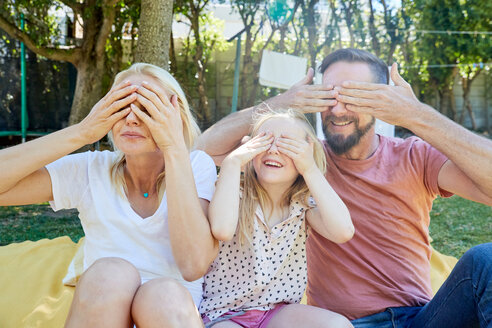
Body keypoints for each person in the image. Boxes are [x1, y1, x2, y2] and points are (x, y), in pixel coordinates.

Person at [195, 48, 492, 327]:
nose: (337, 109)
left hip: (420, 318)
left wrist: (416, 115)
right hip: (342, 324)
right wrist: (281, 103)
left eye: (355, 97)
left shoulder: (416, 156)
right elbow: (202, 152)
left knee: (485, 260)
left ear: (382, 102)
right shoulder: (301, 165)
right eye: (329, 96)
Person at [0, 63, 218, 327]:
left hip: (168, 313)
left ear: (175, 117)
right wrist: (82, 132)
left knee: (163, 293)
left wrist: (173, 146)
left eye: (148, 107)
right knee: (111, 273)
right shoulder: (92, 169)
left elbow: (194, 265)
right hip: (102, 309)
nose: (132, 119)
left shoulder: (195, 165)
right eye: (121, 106)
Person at [199, 108, 354, 328]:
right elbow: (222, 229)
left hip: (277, 313)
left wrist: (310, 168)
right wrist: (232, 163)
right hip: (226, 313)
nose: (273, 150)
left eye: (287, 145)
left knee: (338, 325)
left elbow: (344, 231)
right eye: (264, 142)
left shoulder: (302, 206)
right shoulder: (234, 191)